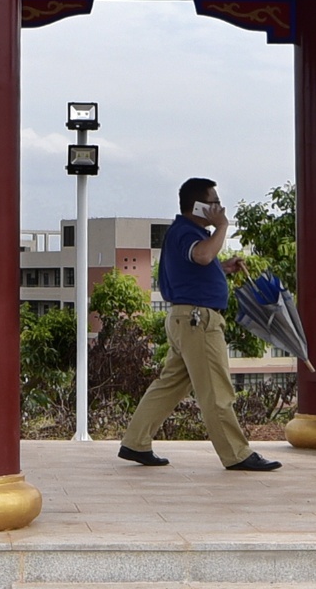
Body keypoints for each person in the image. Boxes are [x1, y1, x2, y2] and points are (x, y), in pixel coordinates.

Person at [114, 176, 278, 474]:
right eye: (214, 203)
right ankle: (236, 453)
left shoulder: (185, 233)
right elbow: (202, 255)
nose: (219, 208)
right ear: (200, 206)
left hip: (185, 318)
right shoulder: (188, 232)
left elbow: (199, 264)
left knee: (170, 384)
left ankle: (135, 442)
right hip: (198, 321)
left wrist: (222, 268)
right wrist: (223, 227)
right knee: (216, 389)